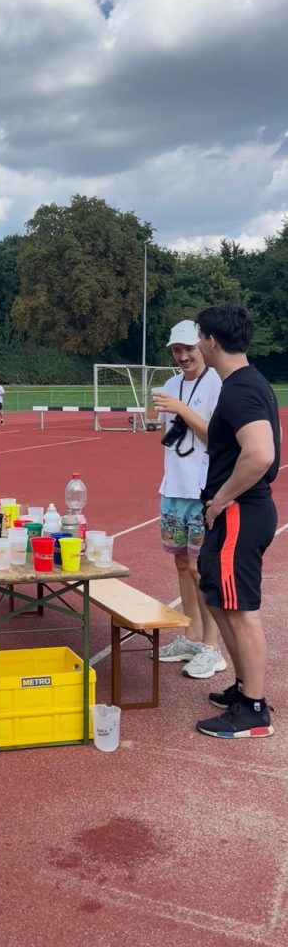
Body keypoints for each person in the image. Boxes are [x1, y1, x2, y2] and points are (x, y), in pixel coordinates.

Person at [194, 304, 280, 738]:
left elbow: (260, 454)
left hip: (240, 511)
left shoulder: (239, 389)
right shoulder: (248, 382)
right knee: (214, 593)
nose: (197, 346)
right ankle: (245, 687)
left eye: (199, 338)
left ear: (211, 341)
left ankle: (254, 710)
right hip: (237, 512)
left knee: (241, 610)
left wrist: (221, 500)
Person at [152, 321, 223, 678]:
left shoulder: (218, 384)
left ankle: (212, 646)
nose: (182, 356)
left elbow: (216, 437)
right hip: (173, 488)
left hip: (202, 490)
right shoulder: (170, 385)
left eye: (188, 349)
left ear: (203, 347)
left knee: (202, 569)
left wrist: (181, 409)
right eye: (176, 350)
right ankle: (191, 637)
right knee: (182, 565)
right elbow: (167, 434)